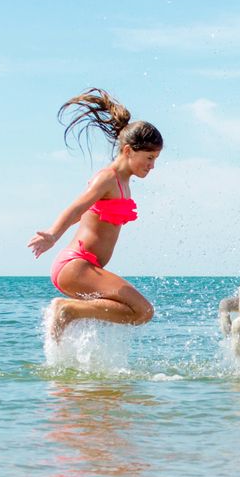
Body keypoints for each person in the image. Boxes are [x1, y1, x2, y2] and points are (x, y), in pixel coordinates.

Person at [28, 88, 162, 334]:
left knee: (138, 313)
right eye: (149, 158)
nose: (152, 166)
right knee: (143, 310)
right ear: (128, 151)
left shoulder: (123, 182)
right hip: (76, 265)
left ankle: (71, 323)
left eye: (155, 159)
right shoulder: (107, 178)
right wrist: (52, 234)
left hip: (85, 268)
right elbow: (77, 207)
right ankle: (67, 310)